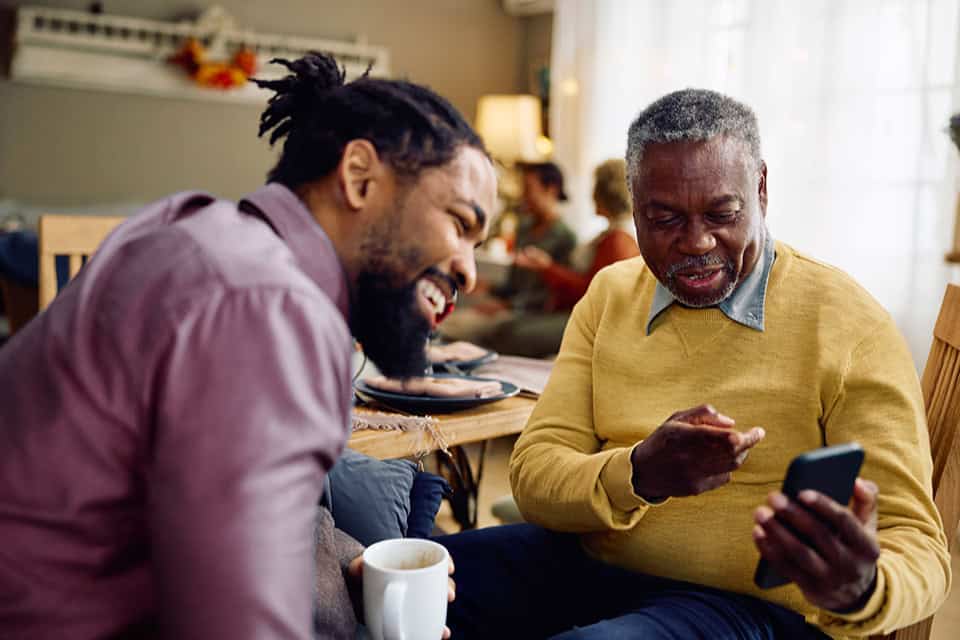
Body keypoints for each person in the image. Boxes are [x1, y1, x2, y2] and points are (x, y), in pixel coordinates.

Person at [0, 52, 495, 638]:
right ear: (360, 177)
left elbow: (201, 504)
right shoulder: (268, 305)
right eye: (461, 223)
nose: (469, 272)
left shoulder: (193, 231)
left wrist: (339, 567)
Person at [436, 89, 951, 638]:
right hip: (591, 567)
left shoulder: (846, 322)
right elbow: (535, 476)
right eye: (664, 219)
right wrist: (638, 474)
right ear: (632, 205)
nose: (697, 241)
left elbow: (920, 548)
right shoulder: (609, 295)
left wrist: (865, 587)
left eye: (722, 213)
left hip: (747, 609)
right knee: (399, 580)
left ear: (761, 190)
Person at [491, 158, 640, 357]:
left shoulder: (617, 240)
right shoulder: (615, 235)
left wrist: (546, 268)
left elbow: (591, 292)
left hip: (592, 323)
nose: (592, 194)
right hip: (578, 315)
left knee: (515, 333)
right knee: (511, 329)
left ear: (604, 193)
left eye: (595, 187)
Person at [439, 161, 576, 348]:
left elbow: (553, 296)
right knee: (444, 320)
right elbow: (514, 285)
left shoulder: (565, 238)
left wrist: (509, 306)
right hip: (507, 309)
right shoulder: (525, 228)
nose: (523, 195)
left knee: (446, 327)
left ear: (551, 189)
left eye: (529, 188)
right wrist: (489, 289)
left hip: (528, 315)